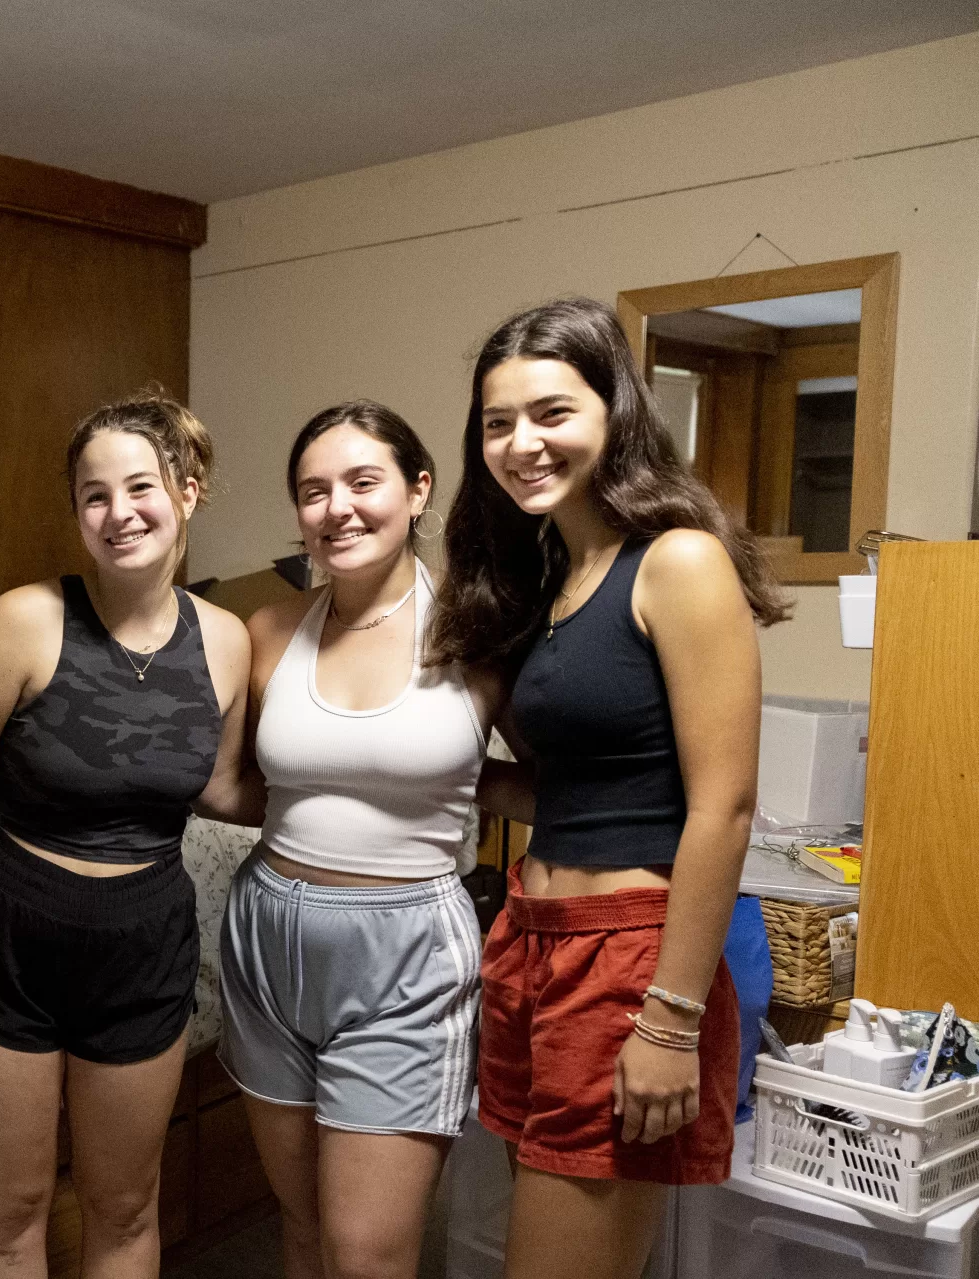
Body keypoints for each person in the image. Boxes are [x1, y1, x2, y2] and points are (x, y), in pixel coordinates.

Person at [432, 297, 788, 1279]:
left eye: (550, 412)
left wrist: (667, 1018)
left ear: (613, 411)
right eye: (496, 423)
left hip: (625, 960)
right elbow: (577, 787)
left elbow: (721, 808)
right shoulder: (548, 576)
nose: (520, 442)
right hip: (527, 948)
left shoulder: (674, 561)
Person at [0, 394, 249, 1279]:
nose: (117, 512)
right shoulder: (24, 620)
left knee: (126, 1205)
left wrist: (348, 799)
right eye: (93, 495)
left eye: (139, 486)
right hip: (6, 935)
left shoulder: (227, 641)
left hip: (143, 942)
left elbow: (216, 785)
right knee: (12, 1207)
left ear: (188, 489)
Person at [212, 401, 494, 1279]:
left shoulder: (479, 633)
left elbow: (549, 772)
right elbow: (227, 786)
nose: (337, 507)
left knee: (366, 1250)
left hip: (407, 949)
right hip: (269, 936)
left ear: (417, 490)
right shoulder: (267, 630)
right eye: (312, 490)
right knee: (299, 1230)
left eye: (361, 482)